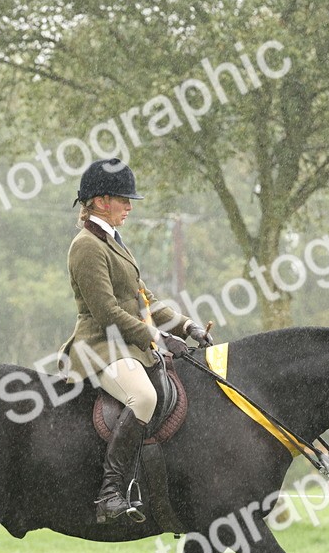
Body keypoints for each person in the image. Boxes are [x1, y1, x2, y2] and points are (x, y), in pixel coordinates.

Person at [58, 158, 213, 523]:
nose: (129, 207)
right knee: (143, 397)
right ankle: (109, 493)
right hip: (99, 346)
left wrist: (186, 327)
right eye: (123, 200)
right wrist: (156, 338)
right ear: (99, 201)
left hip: (128, 344)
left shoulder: (114, 242)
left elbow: (146, 301)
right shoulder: (86, 246)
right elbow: (107, 312)